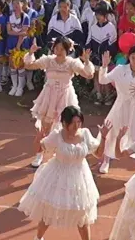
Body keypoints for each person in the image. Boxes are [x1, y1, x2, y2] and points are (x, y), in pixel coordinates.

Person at [17, 106, 109, 240]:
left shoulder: (85, 134)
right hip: (57, 175)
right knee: (48, 211)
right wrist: (39, 135)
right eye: (73, 123)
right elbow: (38, 148)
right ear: (64, 123)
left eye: (79, 122)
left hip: (80, 177)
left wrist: (104, 137)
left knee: (82, 214)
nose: (76, 126)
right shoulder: (57, 135)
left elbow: (99, 154)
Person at [24, 39, 95, 167]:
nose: (59, 51)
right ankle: (39, 155)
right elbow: (29, 66)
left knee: (65, 127)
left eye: (62, 49)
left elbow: (88, 75)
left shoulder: (72, 63)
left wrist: (86, 61)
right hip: (49, 96)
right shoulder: (48, 60)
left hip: (65, 96)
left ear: (68, 50)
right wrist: (30, 53)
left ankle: (60, 155)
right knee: (44, 127)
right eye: (56, 48)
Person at [97, 46, 135, 174]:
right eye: (133, 57)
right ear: (128, 57)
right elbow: (103, 80)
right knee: (112, 131)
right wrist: (104, 66)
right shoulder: (120, 69)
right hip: (120, 105)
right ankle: (106, 160)